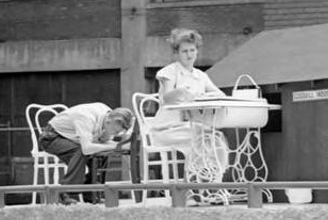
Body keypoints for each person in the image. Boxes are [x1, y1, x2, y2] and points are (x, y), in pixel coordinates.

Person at [149, 27, 229, 182]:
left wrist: (203, 95)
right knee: (202, 139)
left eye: (192, 50)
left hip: (190, 126)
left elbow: (220, 94)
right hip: (167, 129)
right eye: (184, 51)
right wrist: (180, 92)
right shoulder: (169, 72)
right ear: (176, 53)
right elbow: (167, 97)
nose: (189, 55)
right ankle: (194, 184)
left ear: (197, 51)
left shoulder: (201, 76)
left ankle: (213, 181)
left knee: (216, 138)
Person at [36, 103, 134, 203]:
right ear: (108, 121)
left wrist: (117, 143)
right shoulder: (86, 117)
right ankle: (65, 193)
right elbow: (86, 148)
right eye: (115, 131)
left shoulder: (108, 115)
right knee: (81, 152)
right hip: (51, 138)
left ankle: (92, 193)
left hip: (72, 139)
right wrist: (116, 146)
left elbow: (103, 142)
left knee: (103, 152)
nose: (115, 134)